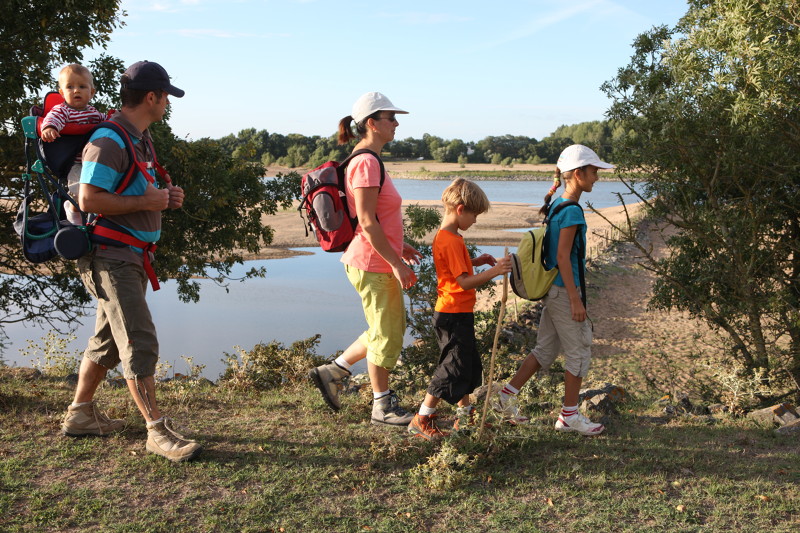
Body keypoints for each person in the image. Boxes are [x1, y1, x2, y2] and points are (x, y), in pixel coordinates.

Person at [59, 61, 201, 462]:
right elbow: (88, 199)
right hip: (111, 257)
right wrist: (147, 201)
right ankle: (156, 432)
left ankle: (80, 415)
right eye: (166, 97)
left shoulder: (137, 138)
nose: (168, 105)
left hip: (129, 257)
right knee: (138, 340)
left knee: (107, 341)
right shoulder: (110, 140)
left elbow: (133, 190)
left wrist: (163, 197)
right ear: (152, 97)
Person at [308, 92, 422, 426]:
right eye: (391, 118)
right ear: (372, 123)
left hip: (375, 258)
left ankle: (333, 371)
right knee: (387, 335)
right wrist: (396, 263)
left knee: (383, 329)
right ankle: (382, 408)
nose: (396, 123)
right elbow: (368, 222)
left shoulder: (367, 160)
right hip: (373, 263)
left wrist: (401, 248)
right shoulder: (366, 163)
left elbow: (374, 220)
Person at [491, 144, 613, 436]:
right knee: (579, 352)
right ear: (578, 173)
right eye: (594, 172)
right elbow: (562, 258)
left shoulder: (558, 204)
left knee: (545, 349)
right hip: (563, 293)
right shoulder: (571, 211)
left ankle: (504, 398)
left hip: (552, 291)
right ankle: (569, 416)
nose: (597, 177)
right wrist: (575, 299)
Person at [407, 179, 511, 440]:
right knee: (451, 366)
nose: (475, 221)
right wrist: (494, 271)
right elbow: (463, 282)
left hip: (456, 311)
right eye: (474, 215)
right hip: (452, 313)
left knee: (465, 365)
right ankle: (422, 417)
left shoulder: (449, 236)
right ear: (461, 209)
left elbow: (454, 271)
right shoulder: (451, 240)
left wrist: (477, 261)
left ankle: (465, 419)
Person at [41, 63, 108, 225]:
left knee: (102, 189)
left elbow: (107, 121)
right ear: (62, 92)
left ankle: (96, 218)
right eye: (70, 87)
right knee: (80, 191)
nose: (76, 90)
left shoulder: (93, 113)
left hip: (92, 161)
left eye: (82, 86)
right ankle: (72, 209)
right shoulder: (62, 110)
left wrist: (116, 119)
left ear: (91, 92)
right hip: (74, 162)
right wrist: (50, 128)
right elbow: (52, 119)